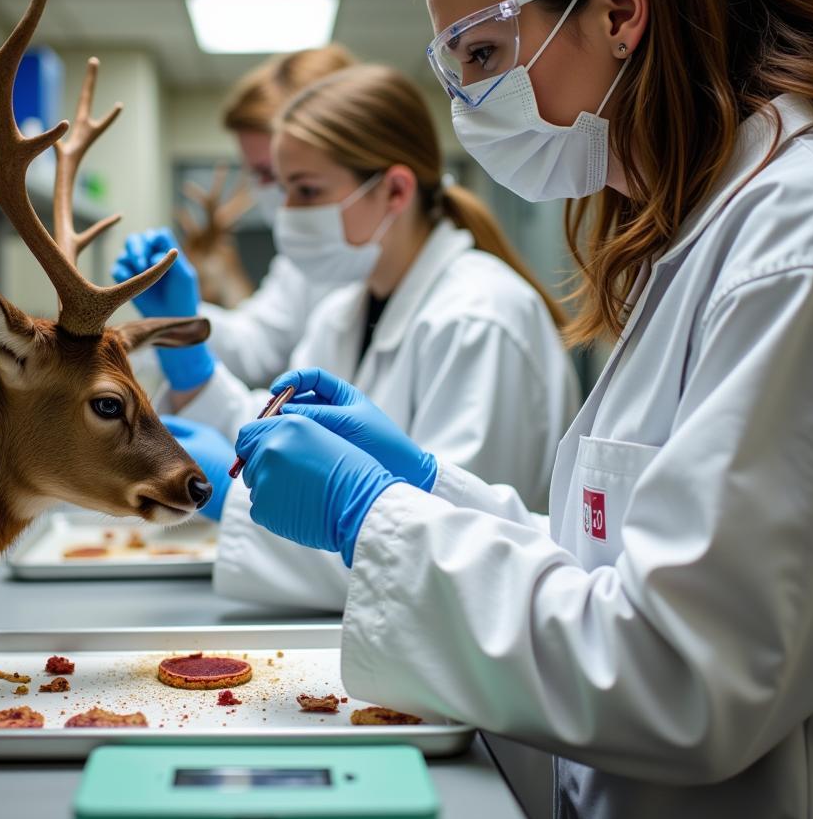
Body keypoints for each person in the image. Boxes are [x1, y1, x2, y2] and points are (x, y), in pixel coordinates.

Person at [230, 0, 813, 819]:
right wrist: (428, 485)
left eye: (482, 54)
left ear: (616, 7)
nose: (469, 108)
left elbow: (682, 672)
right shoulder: (700, 233)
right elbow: (615, 572)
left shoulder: (796, 245)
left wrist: (371, 515)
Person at [122, 63, 579, 610]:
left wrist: (230, 493)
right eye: (284, 189)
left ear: (393, 190)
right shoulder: (343, 310)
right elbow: (278, 436)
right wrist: (188, 360)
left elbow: (454, 557)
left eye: (307, 190)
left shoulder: (480, 318)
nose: (287, 214)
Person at [116, 45, 354, 388]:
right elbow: (258, 345)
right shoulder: (303, 259)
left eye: (274, 173)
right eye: (258, 175)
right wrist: (179, 318)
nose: (270, 192)